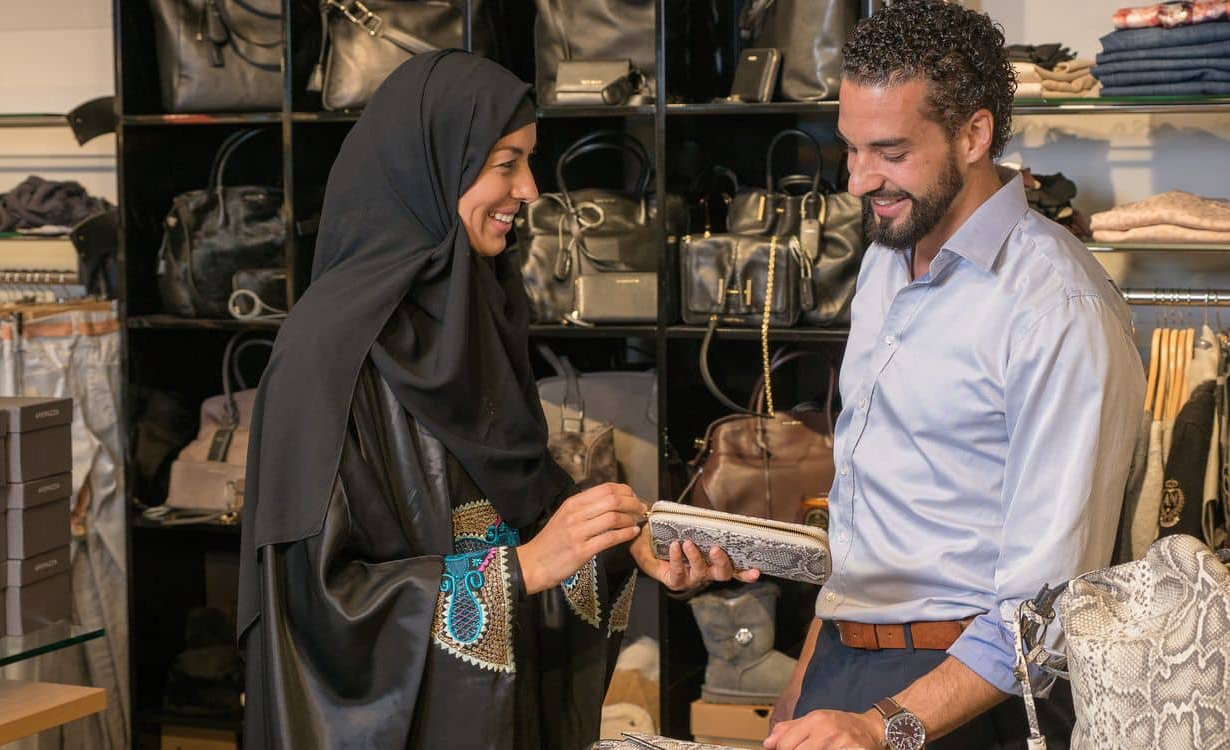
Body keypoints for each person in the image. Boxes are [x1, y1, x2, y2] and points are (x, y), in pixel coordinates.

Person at [236, 50, 756, 749]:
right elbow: (316, 607)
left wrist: (621, 543)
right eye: (504, 163)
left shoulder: (477, 314)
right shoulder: (324, 355)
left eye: (528, 161)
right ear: (431, 167)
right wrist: (521, 570)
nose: (530, 188)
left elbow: (523, 512)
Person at [764, 4, 1146, 750]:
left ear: (973, 135)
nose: (859, 180)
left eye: (890, 151)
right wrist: (805, 682)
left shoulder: (1058, 309)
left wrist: (883, 727)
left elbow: (1045, 612)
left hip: (968, 702)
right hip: (843, 666)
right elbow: (867, 513)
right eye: (851, 149)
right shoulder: (885, 258)